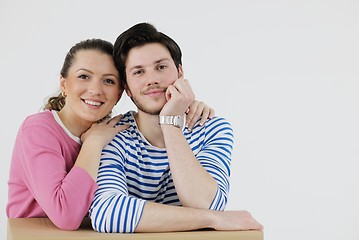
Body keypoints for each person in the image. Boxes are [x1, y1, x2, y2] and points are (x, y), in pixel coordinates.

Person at [6, 38, 215, 230]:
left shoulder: (112, 130)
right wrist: (93, 143)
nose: (96, 90)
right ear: (63, 84)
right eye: (83, 76)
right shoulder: (39, 130)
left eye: (108, 81)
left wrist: (183, 107)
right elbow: (66, 215)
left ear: (120, 93)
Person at [89, 23, 263, 233]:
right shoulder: (112, 135)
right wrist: (214, 219)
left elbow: (207, 203)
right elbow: (107, 214)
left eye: (161, 67)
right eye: (138, 72)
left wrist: (170, 123)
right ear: (127, 88)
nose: (152, 79)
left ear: (180, 72)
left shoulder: (213, 129)